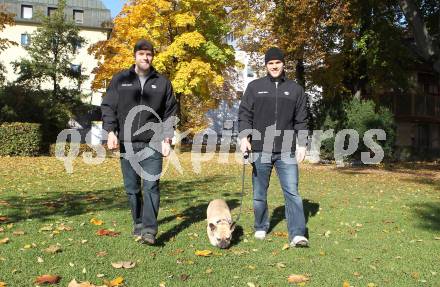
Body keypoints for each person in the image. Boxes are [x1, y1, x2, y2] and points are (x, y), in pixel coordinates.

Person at [101, 39, 177, 245]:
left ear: (153, 57)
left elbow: (170, 112)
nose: (146, 57)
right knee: (132, 188)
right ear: (135, 55)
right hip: (127, 142)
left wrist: (167, 137)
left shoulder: (162, 83)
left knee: (151, 186)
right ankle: (138, 221)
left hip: (153, 142)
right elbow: (108, 106)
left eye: (149, 54)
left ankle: (150, 230)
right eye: (142, 53)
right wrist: (110, 131)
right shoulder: (120, 80)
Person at [238, 47, 309, 247]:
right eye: (270, 63)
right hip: (260, 148)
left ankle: (297, 233)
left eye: (278, 62)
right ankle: (260, 226)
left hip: (286, 149)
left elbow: (301, 119)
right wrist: (245, 137)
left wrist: (302, 144)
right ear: (266, 65)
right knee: (259, 193)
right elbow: (244, 114)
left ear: (283, 64)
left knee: (292, 192)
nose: (274, 66)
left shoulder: (295, 89)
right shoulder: (254, 87)